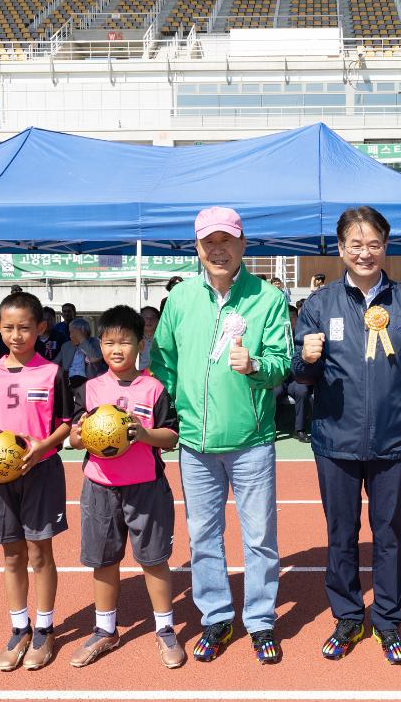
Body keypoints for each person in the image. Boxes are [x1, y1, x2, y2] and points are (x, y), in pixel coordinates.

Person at [292, 206, 401, 665]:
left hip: (395, 442)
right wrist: (307, 359)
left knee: (389, 533)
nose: (365, 252)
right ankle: (349, 616)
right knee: (341, 533)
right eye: (355, 244)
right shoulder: (319, 306)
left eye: (374, 244)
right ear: (340, 249)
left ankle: (388, 620)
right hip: (335, 439)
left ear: (385, 247)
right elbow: (299, 378)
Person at [151, 207, 290, 665]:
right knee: (204, 536)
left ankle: (261, 620)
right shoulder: (180, 299)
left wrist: (255, 367)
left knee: (260, 537)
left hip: (251, 440)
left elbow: (281, 365)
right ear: (197, 248)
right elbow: (163, 362)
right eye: (208, 242)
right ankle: (215, 616)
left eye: (226, 240)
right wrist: (176, 410)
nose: (218, 249)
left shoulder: (267, 299)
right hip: (194, 442)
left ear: (242, 244)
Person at [67, 305, 186, 669]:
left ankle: (165, 628)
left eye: (125, 342)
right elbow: (74, 437)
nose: (116, 349)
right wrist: (76, 437)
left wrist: (143, 433)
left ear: (140, 343)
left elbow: (171, 437)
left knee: (154, 560)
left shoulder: (154, 388)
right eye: (108, 342)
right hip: (100, 487)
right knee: (103, 560)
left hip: (145, 487)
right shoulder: (89, 390)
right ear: (99, 344)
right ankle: (105, 629)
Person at [0, 291, 73, 671]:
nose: (16, 335)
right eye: (9, 327)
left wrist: (43, 445)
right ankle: (19, 628)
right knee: (11, 554)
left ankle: (45, 629)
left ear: (40, 328)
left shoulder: (52, 373)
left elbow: (66, 424)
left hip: (41, 471)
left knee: (40, 551)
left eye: (25, 327)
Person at [275, 305, 313, 443]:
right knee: (274, 392)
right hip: (279, 378)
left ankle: (299, 430)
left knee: (302, 391)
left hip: (295, 379)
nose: (291, 320)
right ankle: (272, 428)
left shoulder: (303, 336)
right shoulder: (277, 336)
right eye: (288, 317)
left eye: (293, 317)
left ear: (298, 318)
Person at [55, 317, 105, 389]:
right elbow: (55, 362)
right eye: (70, 332)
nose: (70, 336)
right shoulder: (66, 345)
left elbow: (94, 358)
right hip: (69, 381)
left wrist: (81, 339)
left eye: (72, 332)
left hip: (89, 382)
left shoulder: (95, 342)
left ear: (82, 332)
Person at [138, 305, 160, 371]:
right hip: (138, 374)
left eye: (153, 317)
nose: (149, 320)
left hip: (159, 375)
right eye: (145, 317)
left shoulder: (163, 338)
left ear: (158, 320)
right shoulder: (134, 338)